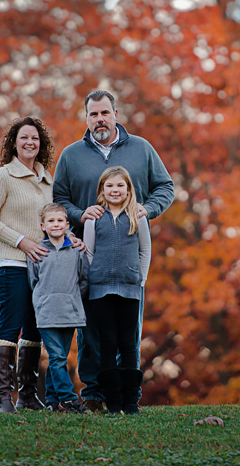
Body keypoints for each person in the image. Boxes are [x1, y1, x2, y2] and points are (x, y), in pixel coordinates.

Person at [53, 90, 174, 411]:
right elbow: (59, 198)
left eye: (105, 113)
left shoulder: (141, 149)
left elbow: (166, 187)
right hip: (89, 255)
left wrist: (147, 209)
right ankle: (94, 393)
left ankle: (127, 395)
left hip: (128, 258)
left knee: (127, 332)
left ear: (116, 113)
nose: (100, 120)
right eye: (93, 115)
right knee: (91, 331)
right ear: (87, 118)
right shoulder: (71, 155)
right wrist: (81, 215)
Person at [0, 117, 55, 413]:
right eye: (24, 138)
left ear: (41, 143)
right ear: (14, 143)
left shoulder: (48, 180)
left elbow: (55, 219)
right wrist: (21, 241)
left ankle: (29, 396)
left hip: (43, 267)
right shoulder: (3, 176)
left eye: (35, 138)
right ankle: (3, 398)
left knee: (35, 329)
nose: (29, 143)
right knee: (11, 326)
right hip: (13, 264)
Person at [83, 167, 151, 414]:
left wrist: (140, 279)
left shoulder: (137, 216)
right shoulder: (94, 218)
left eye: (120, 186)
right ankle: (112, 402)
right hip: (100, 290)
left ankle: (130, 402)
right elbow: (88, 252)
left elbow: (145, 251)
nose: (115, 190)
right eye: (109, 186)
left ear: (128, 189)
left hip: (130, 288)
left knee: (128, 343)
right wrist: (94, 276)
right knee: (107, 343)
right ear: (102, 189)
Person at [27, 203, 89, 414]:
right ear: (43, 226)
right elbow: (33, 282)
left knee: (59, 357)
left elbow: (84, 280)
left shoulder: (76, 251)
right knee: (57, 357)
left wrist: (72, 299)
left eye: (60, 220)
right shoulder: (37, 252)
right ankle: (70, 399)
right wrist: (42, 302)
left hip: (69, 312)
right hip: (47, 313)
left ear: (67, 224)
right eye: (51, 221)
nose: (56, 224)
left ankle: (53, 400)